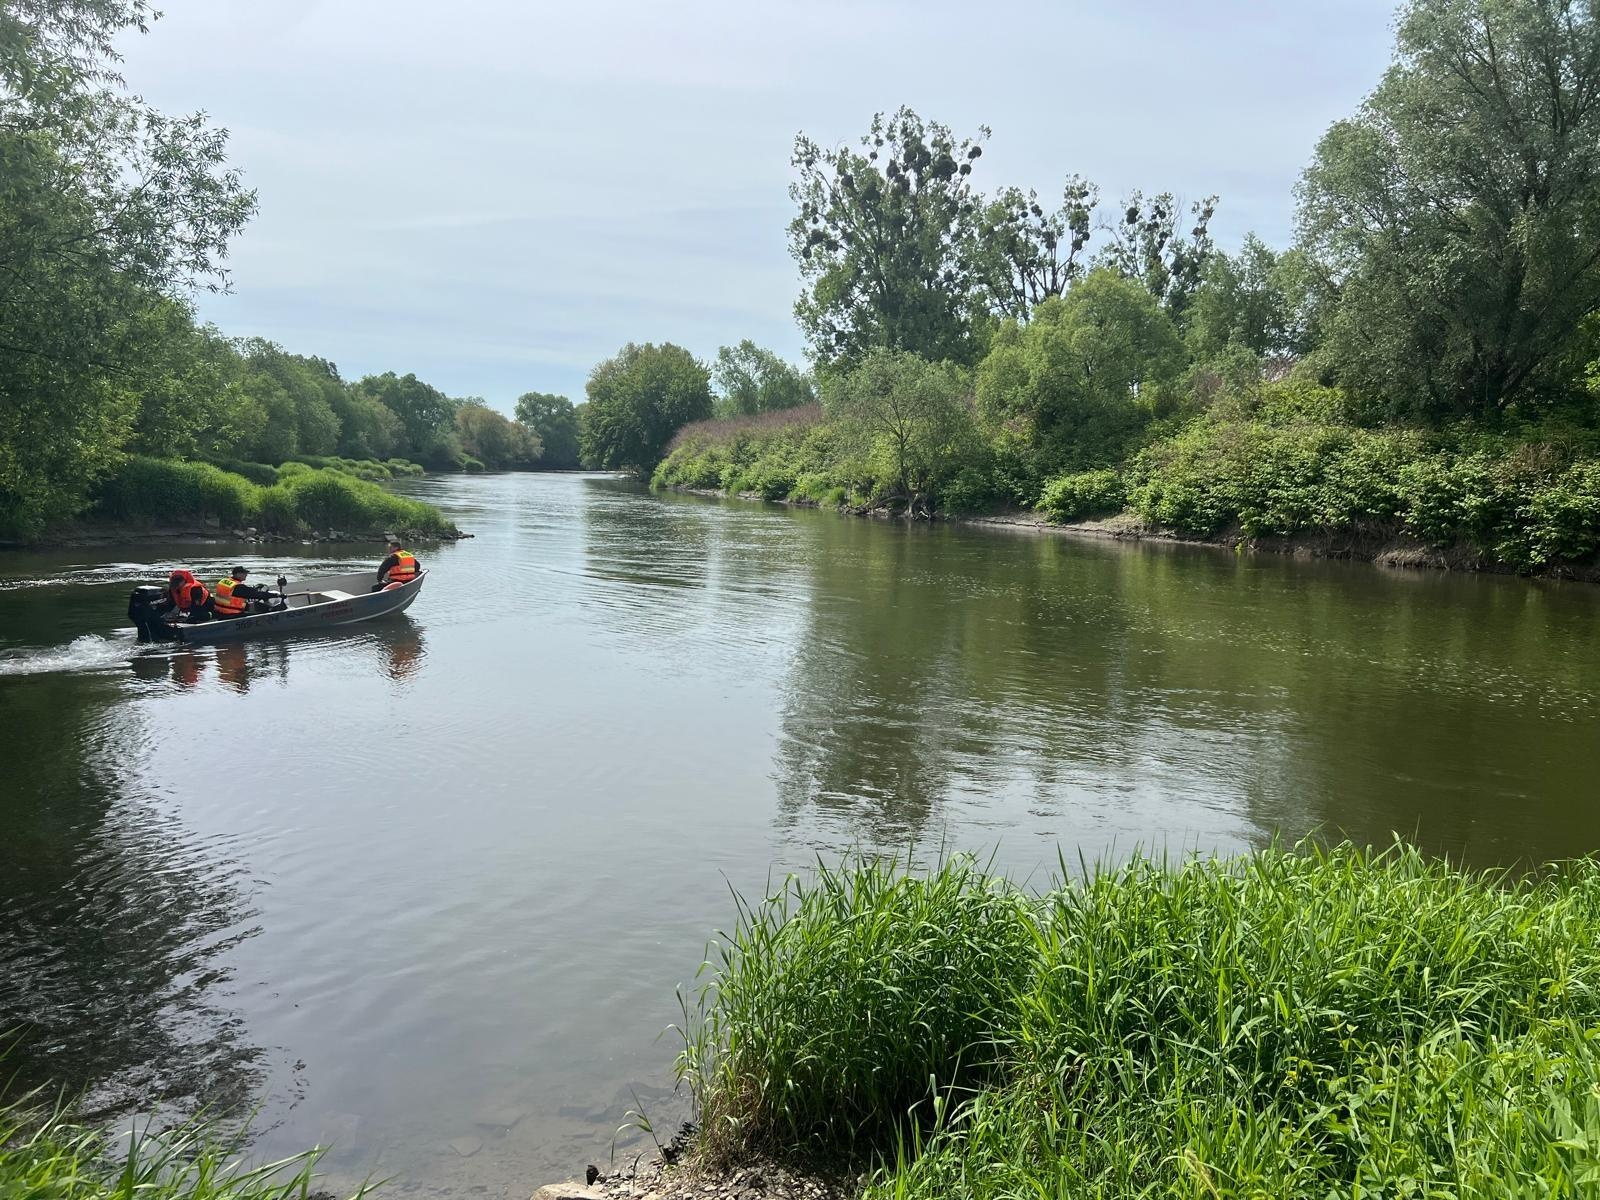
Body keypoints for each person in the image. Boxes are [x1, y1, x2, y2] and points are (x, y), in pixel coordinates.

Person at [213, 566, 278, 618]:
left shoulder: (223, 581)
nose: (246, 574)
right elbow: (257, 594)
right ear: (237, 574)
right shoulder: (238, 586)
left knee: (249, 605)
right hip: (232, 614)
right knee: (261, 612)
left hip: (219, 611)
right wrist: (275, 595)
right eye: (244, 573)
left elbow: (239, 593)